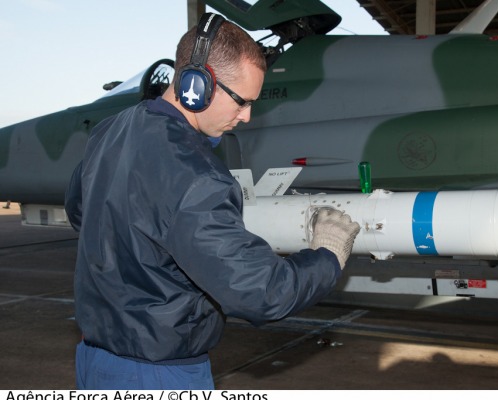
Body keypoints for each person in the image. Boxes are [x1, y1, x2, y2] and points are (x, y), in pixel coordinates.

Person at [64, 13, 360, 390]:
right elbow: (261, 292)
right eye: (241, 102)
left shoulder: (111, 129)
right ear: (197, 86)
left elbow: (79, 211)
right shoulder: (197, 177)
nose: (247, 116)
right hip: (158, 374)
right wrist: (327, 255)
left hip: (95, 360)